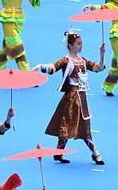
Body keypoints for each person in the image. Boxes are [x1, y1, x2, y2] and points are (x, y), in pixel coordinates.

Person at [34, 31, 106, 165]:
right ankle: (95, 153)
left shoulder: (83, 61)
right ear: (70, 45)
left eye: (81, 43)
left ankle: (59, 153)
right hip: (71, 98)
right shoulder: (66, 60)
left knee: (82, 127)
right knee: (67, 126)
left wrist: (102, 55)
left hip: (82, 99)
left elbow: (99, 68)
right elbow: (52, 68)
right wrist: (40, 67)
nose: (81, 46)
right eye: (78, 44)